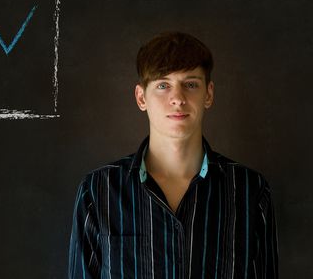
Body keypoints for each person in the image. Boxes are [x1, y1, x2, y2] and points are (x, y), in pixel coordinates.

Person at [68, 31, 279, 278]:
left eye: (190, 84)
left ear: (208, 94)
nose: (177, 98)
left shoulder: (250, 191)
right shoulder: (97, 190)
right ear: (141, 97)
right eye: (163, 85)